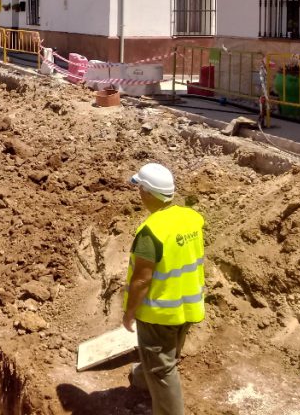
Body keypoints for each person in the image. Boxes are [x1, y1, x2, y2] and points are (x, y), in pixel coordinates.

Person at [122, 162, 205, 415]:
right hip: (187, 305)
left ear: (146, 192)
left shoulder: (151, 232)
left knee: (163, 370)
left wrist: (128, 313)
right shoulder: (191, 218)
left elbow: (141, 281)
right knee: (166, 354)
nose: (139, 194)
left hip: (159, 313)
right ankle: (141, 380)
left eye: (140, 189)